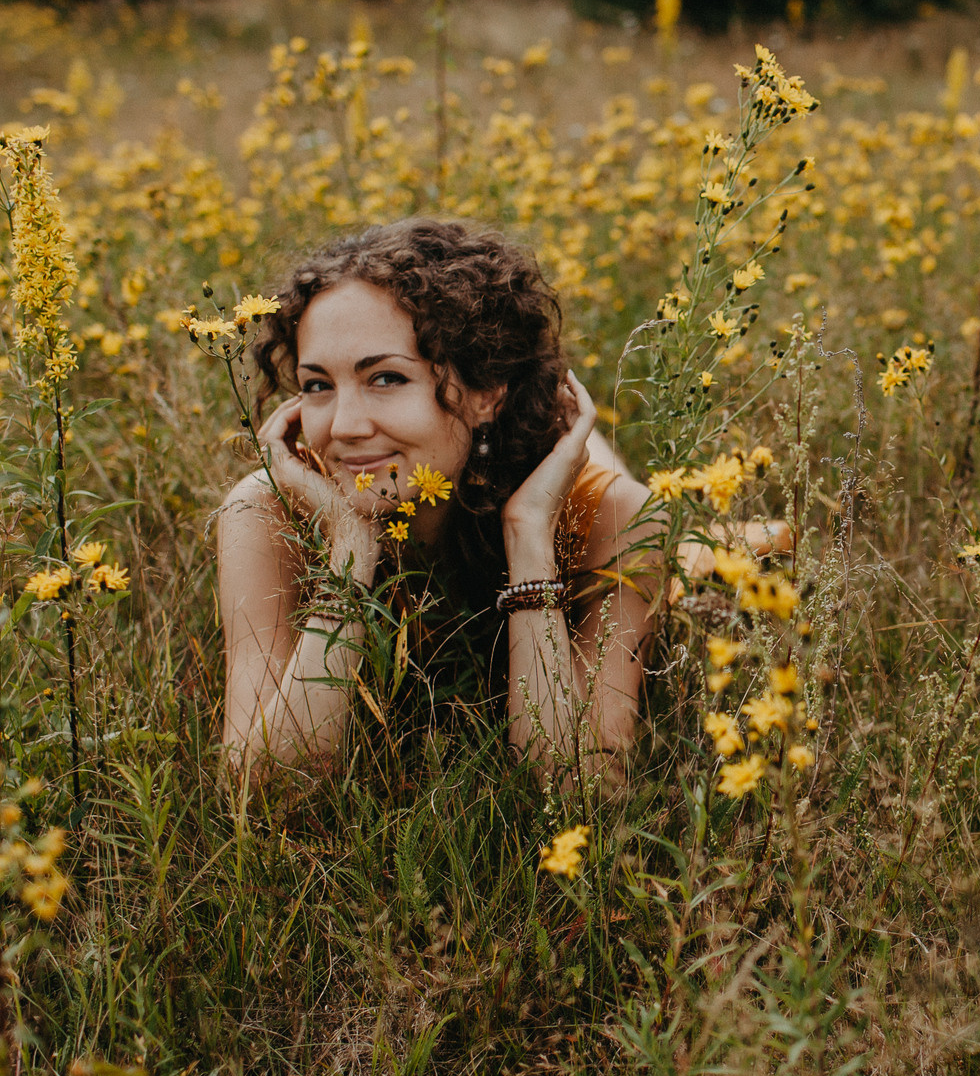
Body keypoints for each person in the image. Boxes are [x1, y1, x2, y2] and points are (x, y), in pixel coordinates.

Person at [217, 216, 657, 779]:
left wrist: (527, 538)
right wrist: (349, 548)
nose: (345, 427)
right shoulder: (269, 510)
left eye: (386, 379)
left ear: (487, 390)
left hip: (531, 470)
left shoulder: (611, 516)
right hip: (467, 450)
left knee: (700, 550)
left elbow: (577, 789)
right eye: (318, 385)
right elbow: (265, 794)